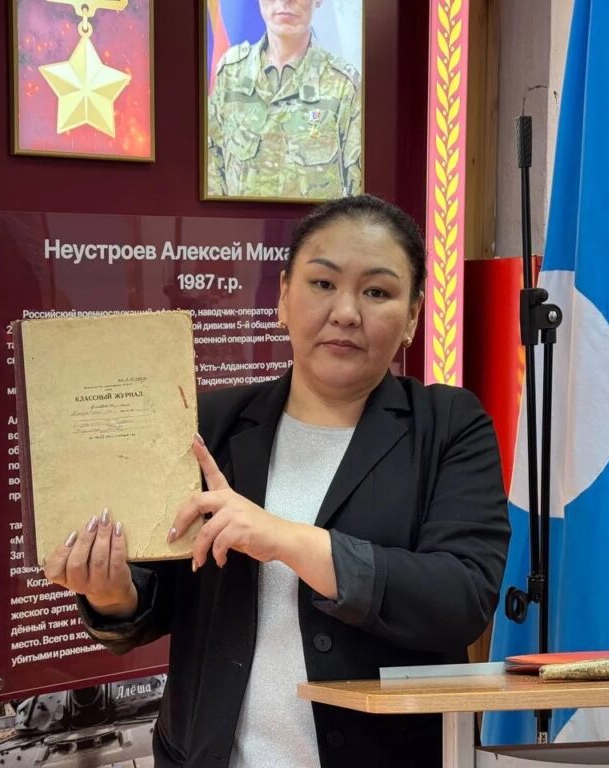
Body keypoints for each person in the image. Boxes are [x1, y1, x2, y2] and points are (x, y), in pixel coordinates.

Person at [45, 195, 510, 767]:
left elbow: (461, 599)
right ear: (283, 297)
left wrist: (287, 539)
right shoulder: (210, 424)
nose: (346, 312)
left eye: (377, 292)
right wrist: (110, 592)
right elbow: (157, 597)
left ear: (413, 316)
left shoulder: (448, 425)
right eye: (322, 284)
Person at [206, 0, 361, 200]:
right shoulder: (230, 74)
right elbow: (211, 169)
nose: (285, 1)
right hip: (238, 221)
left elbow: (357, 195)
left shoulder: (345, 86)